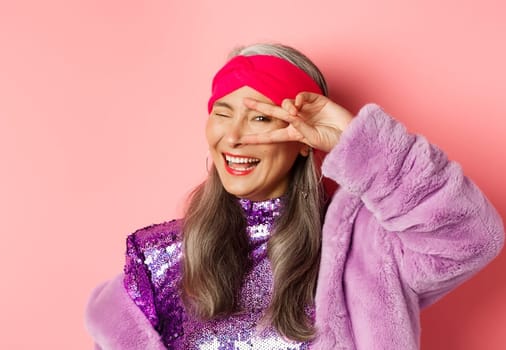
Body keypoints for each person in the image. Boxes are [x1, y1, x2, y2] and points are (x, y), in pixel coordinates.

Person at [83, 43, 505, 349]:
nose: (233, 137)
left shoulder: (365, 247)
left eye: (261, 117)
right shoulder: (160, 257)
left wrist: (352, 138)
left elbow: (470, 236)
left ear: (304, 139)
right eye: (222, 113)